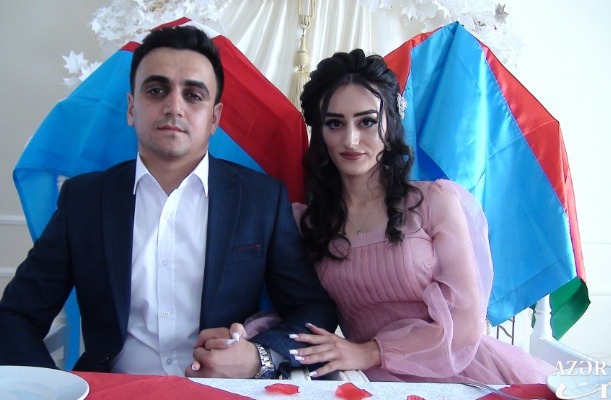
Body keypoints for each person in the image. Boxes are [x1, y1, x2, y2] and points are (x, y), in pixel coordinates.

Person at [0, 25, 337, 379]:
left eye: (193, 95)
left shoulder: (261, 200)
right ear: (132, 108)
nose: (174, 106)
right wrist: (51, 389)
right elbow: (15, 315)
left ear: (214, 118)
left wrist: (259, 356)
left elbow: (312, 308)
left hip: (220, 393)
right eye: (156, 90)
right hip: (116, 390)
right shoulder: (84, 200)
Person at [286, 49, 554, 384]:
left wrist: (370, 351)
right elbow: (292, 307)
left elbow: (465, 323)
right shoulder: (306, 223)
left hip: (464, 373)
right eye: (335, 123)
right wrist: (243, 337)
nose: (351, 139)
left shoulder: (434, 203)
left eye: (367, 122)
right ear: (320, 132)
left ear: (390, 123)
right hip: (369, 383)